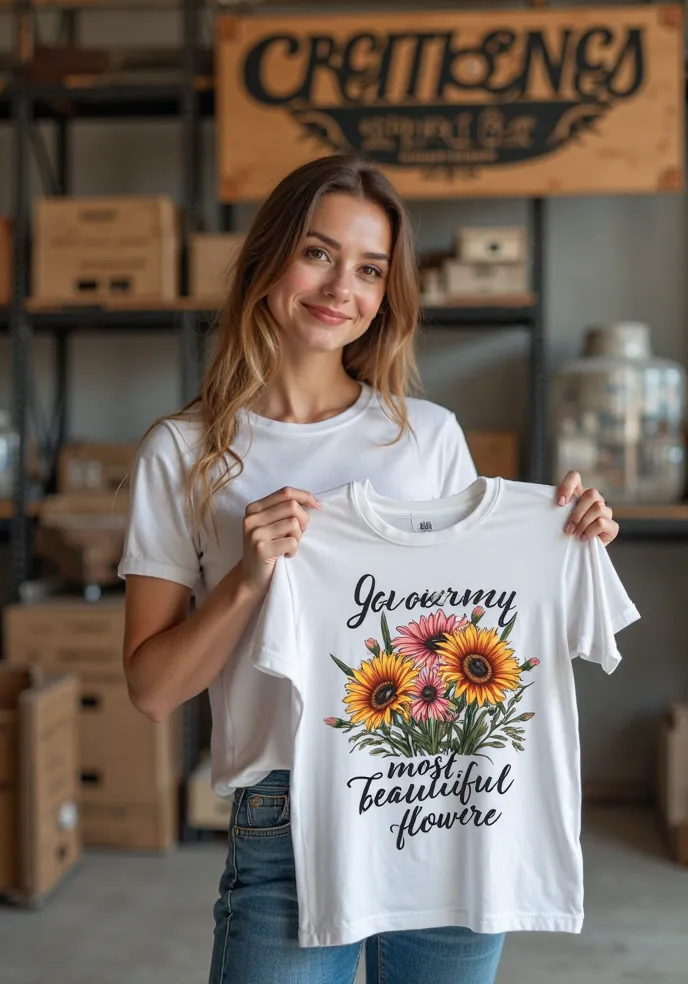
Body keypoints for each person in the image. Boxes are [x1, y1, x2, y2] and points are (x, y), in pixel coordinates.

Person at [119, 154, 619, 984]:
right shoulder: (184, 453)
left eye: (369, 268)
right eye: (317, 253)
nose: (339, 286)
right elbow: (151, 690)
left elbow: (475, 640)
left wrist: (567, 536)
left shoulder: (428, 438)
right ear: (268, 259)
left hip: (445, 804)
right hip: (283, 822)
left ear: (388, 293)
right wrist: (248, 578)